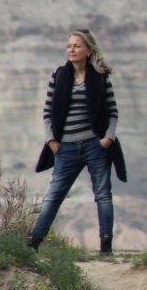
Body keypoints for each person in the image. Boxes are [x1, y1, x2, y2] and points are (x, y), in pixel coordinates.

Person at [29, 28, 127, 255]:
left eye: (77, 46)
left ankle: (105, 248)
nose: (71, 50)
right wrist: (52, 140)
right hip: (66, 147)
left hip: (95, 145)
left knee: (103, 195)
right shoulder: (59, 75)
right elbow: (47, 112)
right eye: (69, 46)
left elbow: (112, 111)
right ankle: (33, 243)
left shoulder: (100, 77)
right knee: (54, 196)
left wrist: (108, 138)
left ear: (88, 50)